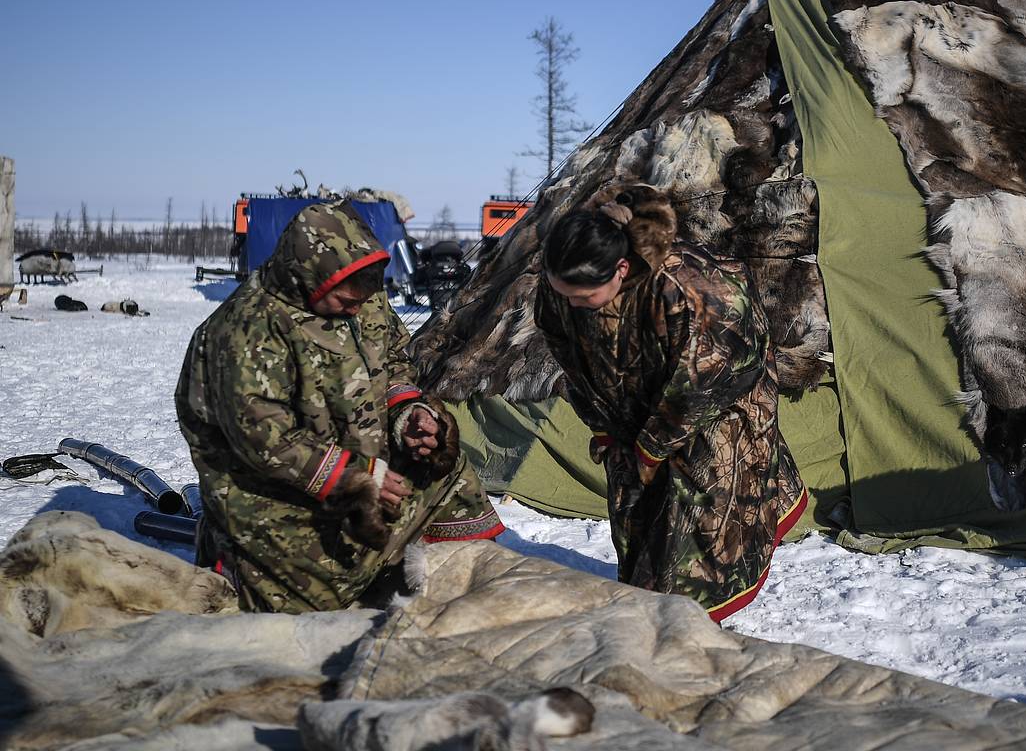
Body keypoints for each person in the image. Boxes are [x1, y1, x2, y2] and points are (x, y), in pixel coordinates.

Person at [176, 201, 503, 613]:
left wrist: (410, 414)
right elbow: (263, 440)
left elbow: (396, 363)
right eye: (342, 301)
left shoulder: (365, 301)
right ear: (307, 277)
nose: (354, 309)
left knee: (446, 470)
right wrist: (353, 478)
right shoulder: (246, 329)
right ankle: (240, 562)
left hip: (361, 460)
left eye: (361, 299)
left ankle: (454, 590)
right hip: (275, 490)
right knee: (314, 603)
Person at [534, 184, 808, 622]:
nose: (570, 304)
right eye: (560, 291)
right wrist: (604, 423)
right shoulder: (565, 280)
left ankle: (684, 627)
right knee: (639, 523)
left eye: (582, 297)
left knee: (697, 535)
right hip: (632, 406)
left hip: (713, 413)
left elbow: (706, 384)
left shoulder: (697, 290)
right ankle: (653, 603)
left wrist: (652, 446)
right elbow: (570, 355)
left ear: (621, 269)